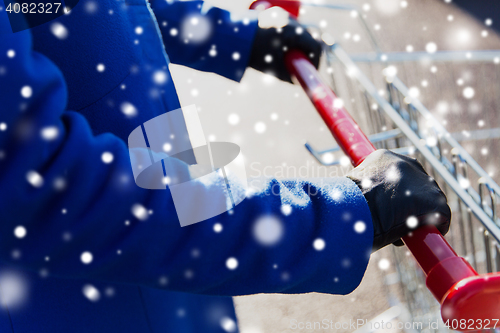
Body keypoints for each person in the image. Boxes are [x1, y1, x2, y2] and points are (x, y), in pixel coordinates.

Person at [0, 1, 451, 332]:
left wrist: (233, 36)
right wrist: (340, 215)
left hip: (175, 232)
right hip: (88, 301)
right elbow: (41, 186)